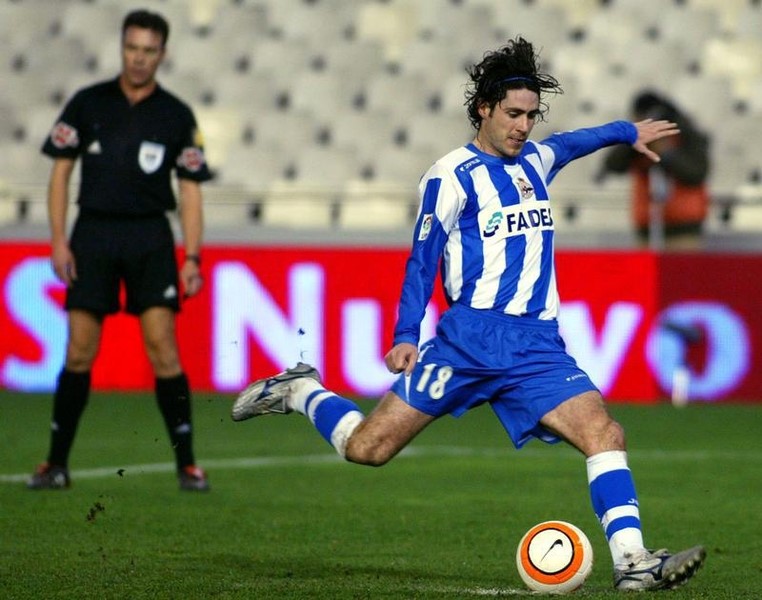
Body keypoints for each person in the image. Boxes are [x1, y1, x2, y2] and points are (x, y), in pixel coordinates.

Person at [231, 38, 705, 590]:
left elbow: (575, 142)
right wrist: (406, 333)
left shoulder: (537, 159)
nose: (523, 126)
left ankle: (633, 561)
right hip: (467, 342)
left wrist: (627, 131)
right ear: (483, 107)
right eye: (512, 114)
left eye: (531, 115)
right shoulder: (449, 176)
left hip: (536, 346)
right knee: (368, 449)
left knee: (605, 433)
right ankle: (300, 391)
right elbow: (422, 259)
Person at [28, 9, 212, 491]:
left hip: (150, 237)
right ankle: (56, 463)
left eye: (149, 51)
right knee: (79, 349)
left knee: (162, 348)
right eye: (132, 48)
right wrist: (58, 238)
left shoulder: (175, 115)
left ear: (162, 55)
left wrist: (192, 256)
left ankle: (187, 464)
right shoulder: (88, 104)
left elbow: (190, 190)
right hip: (93, 234)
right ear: (122, 47)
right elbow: (60, 172)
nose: (139, 59)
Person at [598, 90, 711, 250]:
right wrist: (631, 137)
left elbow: (697, 173)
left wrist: (666, 154)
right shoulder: (635, 143)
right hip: (646, 227)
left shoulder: (685, 135)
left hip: (683, 229)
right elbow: (613, 164)